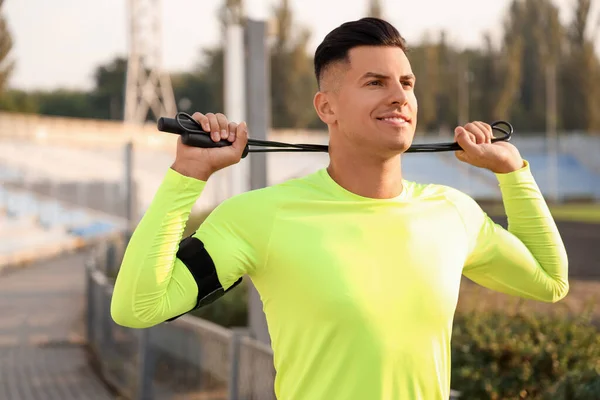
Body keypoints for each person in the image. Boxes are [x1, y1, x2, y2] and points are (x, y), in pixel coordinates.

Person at [110, 17, 569, 400]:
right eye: (375, 82)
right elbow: (138, 307)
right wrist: (187, 177)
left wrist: (513, 173)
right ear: (326, 107)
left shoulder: (454, 212)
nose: (399, 97)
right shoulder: (258, 217)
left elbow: (551, 281)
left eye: (406, 83)